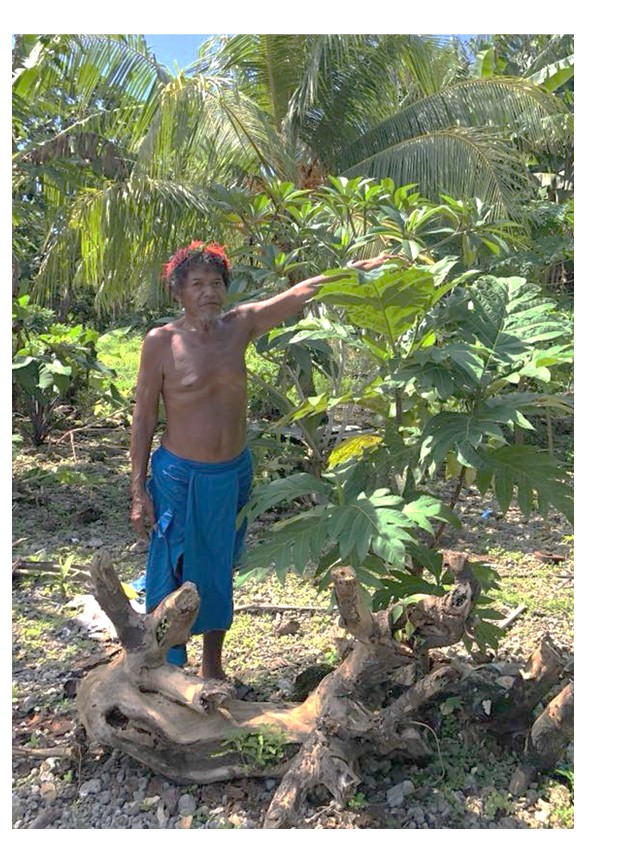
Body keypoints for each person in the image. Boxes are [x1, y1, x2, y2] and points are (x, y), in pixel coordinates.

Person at [130, 240, 393, 680]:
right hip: (179, 475)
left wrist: (353, 271)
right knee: (171, 568)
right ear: (178, 291)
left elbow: (300, 293)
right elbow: (143, 417)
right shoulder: (161, 342)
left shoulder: (241, 326)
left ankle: (212, 666)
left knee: (217, 569)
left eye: (216, 283)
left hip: (232, 473)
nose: (208, 292)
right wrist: (138, 491)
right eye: (197, 284)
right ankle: (163, 665)